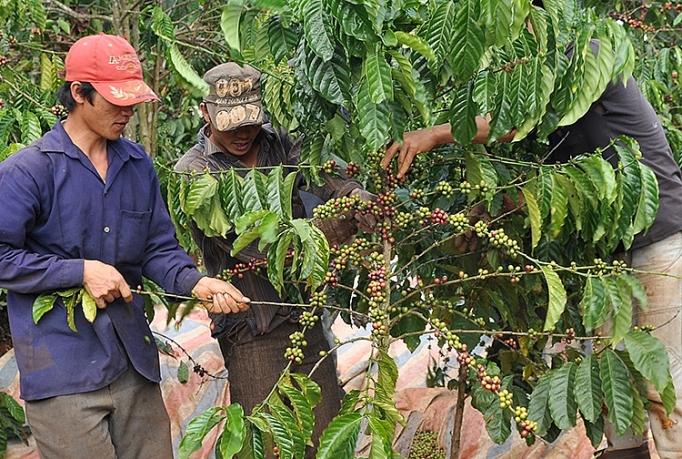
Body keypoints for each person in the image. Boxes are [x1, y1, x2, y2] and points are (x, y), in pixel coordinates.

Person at [381, 40, 682, 459]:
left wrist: (437, 132)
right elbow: (559, 186)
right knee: (616, 393)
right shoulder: (561, 106)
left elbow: (518, 119)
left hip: (658, 233)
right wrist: (496, 210)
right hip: (610, 254)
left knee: (664, 389)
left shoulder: (589, 52)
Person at [0, 33, 250, 459]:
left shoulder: (136, 165)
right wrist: (79, 271)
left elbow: (157, 248)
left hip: (132, 364)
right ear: (79, 92)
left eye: (132, 102)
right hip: (64, 370)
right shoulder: (30, 171)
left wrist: (197, 283)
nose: (127, 113)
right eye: (116, 101)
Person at [175, 62, 373, 458]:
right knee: (269, 442)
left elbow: (329, 177)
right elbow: (253, 249)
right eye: (230, 125)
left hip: (303, 318)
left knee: (327, 437)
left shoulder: (278, 143)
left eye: (249, 122)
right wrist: (335, 231)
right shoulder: (194, 171)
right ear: (205, 112)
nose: (243, 133)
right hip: (252, 328)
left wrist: (355, 197)